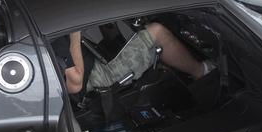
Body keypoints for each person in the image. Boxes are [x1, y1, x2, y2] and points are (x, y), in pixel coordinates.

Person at [52, 21, 211, 97]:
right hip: (96, 77)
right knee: (156, 32)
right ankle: (202, 72)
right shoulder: (55, 42)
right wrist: (75, 33)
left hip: (92, 54)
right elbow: (74, 85)